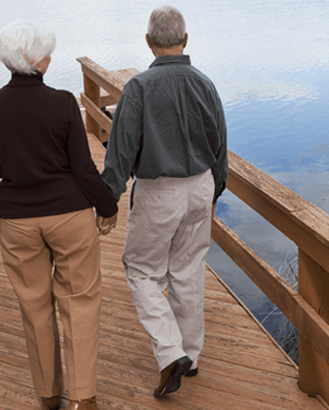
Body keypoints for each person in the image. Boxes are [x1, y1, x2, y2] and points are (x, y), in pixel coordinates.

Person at [0, 19, 118, 410]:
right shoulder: (63, 102)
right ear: (39, 61)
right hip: (70, 215)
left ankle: (49, 394)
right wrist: (107, 207)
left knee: (34, 305)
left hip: (17, 220)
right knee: (80, 301)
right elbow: (83, 168)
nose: (51, 57)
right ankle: (83, 398)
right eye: (48, 52)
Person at [99, 5, 228, 398]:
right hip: (201, 184)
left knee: (142, 270)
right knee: (188, 270)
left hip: (160, 190)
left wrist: (108, 199)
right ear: (184, 40)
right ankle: (191, 354)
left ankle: (172, 353)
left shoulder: (138, 88)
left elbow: (120, 151)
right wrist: (215, 191)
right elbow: (220, 143)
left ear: (149, 41)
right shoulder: (205, 83)